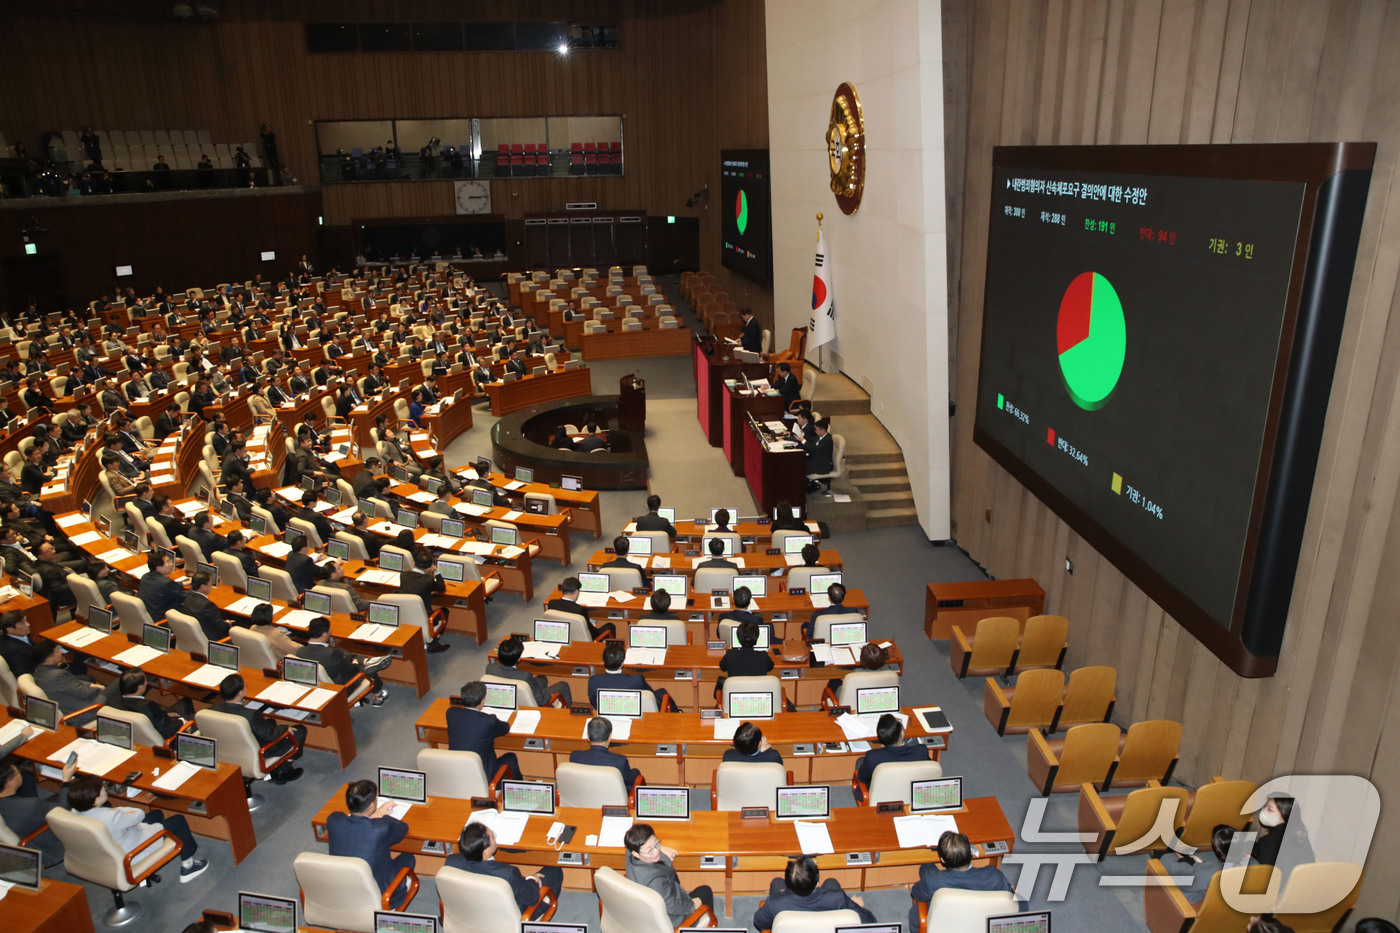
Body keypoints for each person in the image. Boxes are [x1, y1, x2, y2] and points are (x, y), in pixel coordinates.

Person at [67, 773, 208, 882]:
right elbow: (139, 814)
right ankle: (189, 866)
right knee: (178, 820)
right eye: (101, 787)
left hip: (111, 847)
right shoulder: (112, 816)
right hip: (132, 851)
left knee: (157, 814)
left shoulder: (75, 813)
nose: (104, 788)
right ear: (95, 800)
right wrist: (118, 810)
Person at [326, 779, 415, 908]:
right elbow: (403, 829)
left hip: (343, 889)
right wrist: (379, 816)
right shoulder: (380, 828)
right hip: (380, 895)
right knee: (408, 857)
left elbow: (354, 824)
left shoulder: (333, 820)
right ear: (371, 806)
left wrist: (372, 817)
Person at [446, 822, 562, 917]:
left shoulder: (451, 862)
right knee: (554, 871)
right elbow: (532, 898)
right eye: (492, 836)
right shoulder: (507, 873)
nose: (495, 836)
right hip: (504, 918)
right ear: (485, 851)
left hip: (469, 914)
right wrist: (532, 878)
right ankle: (541, 910)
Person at [908, 831, 1020, 929]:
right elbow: (1018, 907)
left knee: (916, 913)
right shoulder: (994, 876)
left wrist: (927, 869)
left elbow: (916, 893)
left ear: (942, 860)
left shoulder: (933, 880)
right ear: (971, 852)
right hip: (980, 923)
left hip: (944, 923)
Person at [213, 673, 306, 784]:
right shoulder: (250, 715)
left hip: (229, 747)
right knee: (300, 731)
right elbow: (271, 735)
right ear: (239, 693)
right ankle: (283, 769)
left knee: (270, 721)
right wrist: (285, 727)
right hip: (259, 751)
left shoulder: (213, 708)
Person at [624, 824, 715, 925]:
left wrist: (660, 847)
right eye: (650, 850)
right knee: (705, 891)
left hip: (647, 913)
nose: (656, 852)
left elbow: (641, 846)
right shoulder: (656, 880)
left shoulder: (631, 853)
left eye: (657, 844)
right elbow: (672, 906)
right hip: (673, 919)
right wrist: (693, 905)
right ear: (636, 854)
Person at [752, 856, 873, 931]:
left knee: (777, 883)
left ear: (788, 885)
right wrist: (856, 906)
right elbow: (870, 922)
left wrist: (780, 895)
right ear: (817, 883)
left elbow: (760, 923)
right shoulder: (837, 898)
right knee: (831, 883)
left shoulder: (775, 903)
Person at [0, 754, 74, 866]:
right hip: (46, 850)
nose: (21, 774)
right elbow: (62, 811)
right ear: (9, 782)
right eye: (18, 772)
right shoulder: (30, 806)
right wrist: (66, 780)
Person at [299, 616, 390, 705]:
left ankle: (364, 660)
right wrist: (356, 664)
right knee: (368, 668)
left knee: (341, 652)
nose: (331, 632)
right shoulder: (330, 654)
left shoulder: (300, 651)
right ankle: (379, 695)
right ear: (324, 634)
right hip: (341, 688)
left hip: (319, 688)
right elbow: (351, 670)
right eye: (329, 630)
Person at [446, 681, 521, 779]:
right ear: (482, 701)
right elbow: (505, 728)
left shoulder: (450, 713)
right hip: (484, 777)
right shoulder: (489, 721)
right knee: (511, 758)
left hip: (457, 772)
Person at [854, 713, 933, 798]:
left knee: (860, 761)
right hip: (911, 794)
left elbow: (862, 778)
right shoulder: (921, 751)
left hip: (881, 795)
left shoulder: (873, 757)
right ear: (902, 734)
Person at [486, 635, 571, 706]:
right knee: (563, 685)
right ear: (518, 659)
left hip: (506, 696)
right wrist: (550, 695)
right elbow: (541, 701)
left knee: (542, 679)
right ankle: (566, 713)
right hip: (531, 700)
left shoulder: (489, 668)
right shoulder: (525, 676)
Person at [110, 669, 195, 740]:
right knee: (191, 718)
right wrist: (182, 721)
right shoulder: (148, 706)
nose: (147, 682)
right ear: (139, 688)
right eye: (145, 681)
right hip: (168, 736)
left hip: (152, 726)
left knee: (186, 701)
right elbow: (168, 730)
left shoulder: (114, 701)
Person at [588, 642, 671, 710]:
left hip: (608, 714)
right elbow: (651, 694)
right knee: (662, 693)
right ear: (622, 662)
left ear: (604, 660)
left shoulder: (593, 682)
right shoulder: (637, 680)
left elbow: (594, 703)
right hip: (634, 711)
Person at [1251, 794, 1313, 885]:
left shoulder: (1268, 841)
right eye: (1264, 806)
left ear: (1285, 815)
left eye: (1270, 809)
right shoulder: (1301, 835)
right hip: (1300, 890)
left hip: (1277, 892)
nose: (1263, 811)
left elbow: (1260, 880)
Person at [569, 717, 641, 789]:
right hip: (613, 799)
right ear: (610, 737)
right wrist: (636, 772)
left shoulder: (574, 757)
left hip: (583, 798)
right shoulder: (620, 761)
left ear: (588, 736)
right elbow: (630, 780)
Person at [400, 549, 449, 653]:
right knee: (445, 611)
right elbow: (442, 587)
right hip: (425, 618)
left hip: (405, 615)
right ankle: (434, 644)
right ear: (429, 568)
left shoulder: (403, 575)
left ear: (413, 564)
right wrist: (436, 572)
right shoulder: (428, 580)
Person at [546, 576, 614, 640]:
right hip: (582, 639)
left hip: (562, 636)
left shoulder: (551, 603)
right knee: (610, 626)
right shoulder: (580, 610)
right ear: (576, 592)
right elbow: (592, 633)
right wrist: (593, 626)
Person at [138, 552, 186, 621]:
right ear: (158, 567)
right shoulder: (166, 583)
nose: (172, 564)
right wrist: (197, 585)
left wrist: (182, 584)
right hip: (163, 619)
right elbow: (185, 597)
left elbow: (165, 587)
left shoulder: (145, 577)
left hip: (150, 615)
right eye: (168, 562)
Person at [182, 571, 228, 642]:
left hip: (196, 635)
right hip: (212, 638)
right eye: (210, 584)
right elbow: (221, 627)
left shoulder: (188, 597)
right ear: (203, 587)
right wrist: (228, 623)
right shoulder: (208, 605)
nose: (211, 586)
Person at [0, 609, 36, 676]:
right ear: (10, 629)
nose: (28, 624)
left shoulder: (6, 637)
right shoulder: (14, 651)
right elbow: (23, 675)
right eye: (22, 623)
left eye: (26, 620)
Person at [804, 418, 835, 491]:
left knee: (801, 470)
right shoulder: (821, 437)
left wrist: (803, 441)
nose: (815, 431)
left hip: (822, 466)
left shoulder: (827, 440)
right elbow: (812, 440)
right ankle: (810, 485)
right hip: (816, 461)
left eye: (817, 429)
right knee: (800, 466)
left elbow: (815, 449)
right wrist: (803, 435)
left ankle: (808, 486)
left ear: (822, 430)